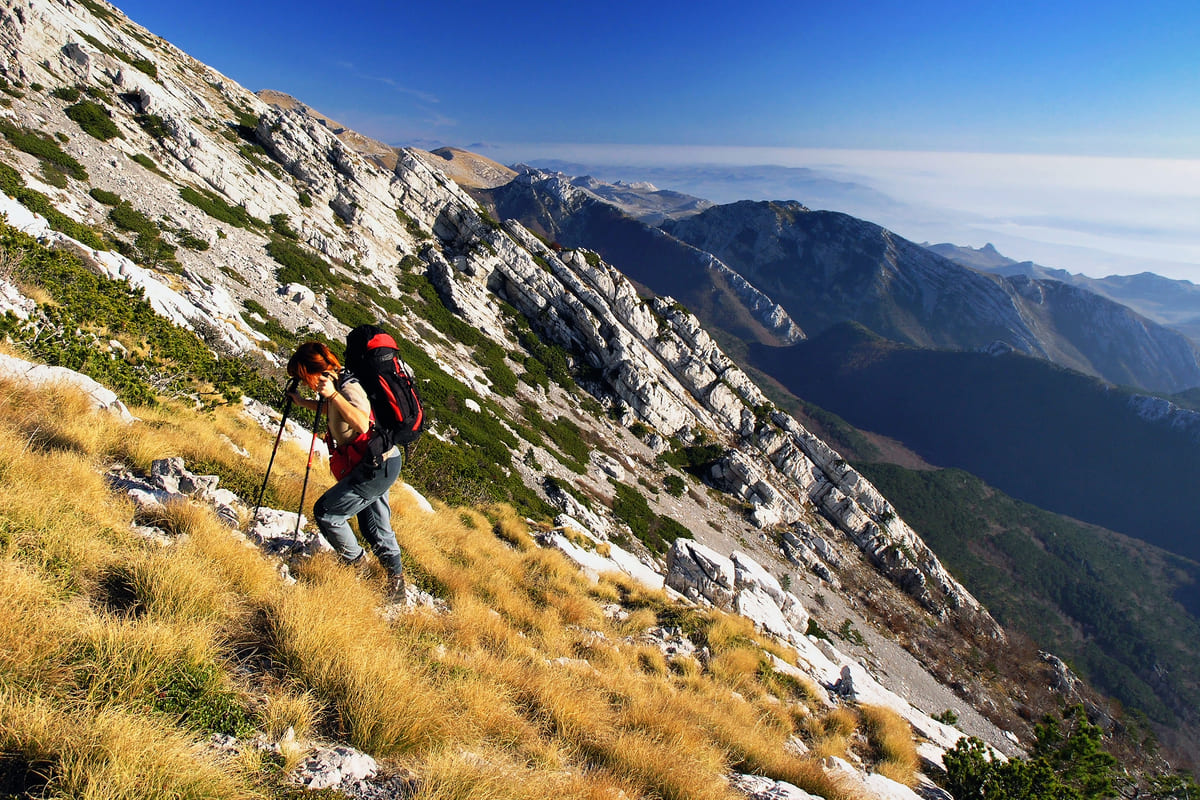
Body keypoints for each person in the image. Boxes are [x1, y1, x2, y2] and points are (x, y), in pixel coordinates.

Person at [286, 341, 405, 597]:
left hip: (376, 465)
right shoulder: (337, 385)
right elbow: (333, 410)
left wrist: (333, 394)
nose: (305, 383)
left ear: (314, 371)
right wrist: (301, 402)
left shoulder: (348, 387)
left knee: (327, 513)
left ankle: (356, 565)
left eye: (304, 377)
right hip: (376, 461)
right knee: (374, 525)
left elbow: (362, 423)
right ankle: (396, 586)